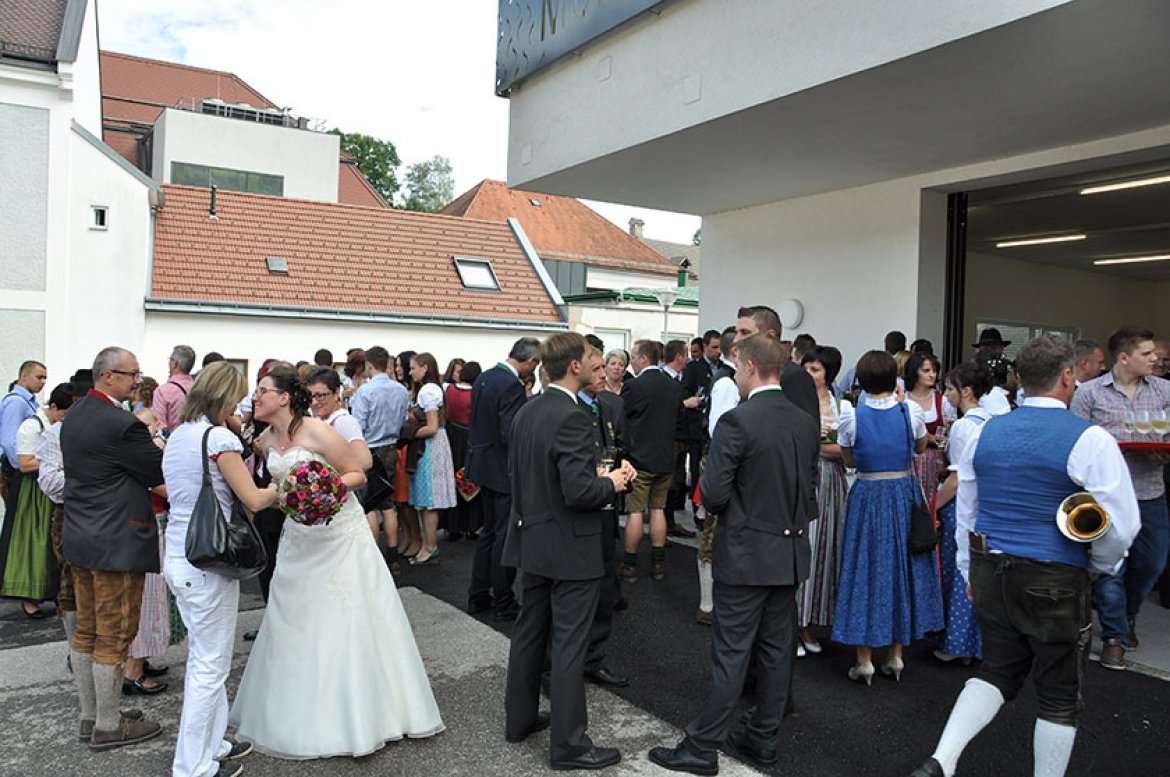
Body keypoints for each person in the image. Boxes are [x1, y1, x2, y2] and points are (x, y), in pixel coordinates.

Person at [910, 337, 1140, 777]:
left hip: (992, 568)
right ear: (1069, 376)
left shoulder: (983, 432)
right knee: (1057, 694)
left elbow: (969, 514)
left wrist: (968, 572)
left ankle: (942, 759)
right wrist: (1099, 567)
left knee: (997, 671)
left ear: (1018, 379)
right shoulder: (1090, 439)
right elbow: (1122, 524)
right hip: (1056, 575)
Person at [229, 364, 443, 757]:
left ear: (283, 397)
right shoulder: (263, 438)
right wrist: (288, 491)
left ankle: (360, 714)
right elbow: (274, 484)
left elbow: (357, 472)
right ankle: (294, 708)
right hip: (298, 539)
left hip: (337, 535)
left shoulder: (319, 431)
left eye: (262, 390)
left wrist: (320, 488)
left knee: (343, 617)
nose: (255, 396)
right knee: (294, 618)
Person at [648, 334, 819, 775]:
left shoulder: (738, 422)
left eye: (737, 366)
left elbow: (715, 494)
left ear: (750, 368)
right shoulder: (803, 420)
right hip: (789, 551)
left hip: (746, 552)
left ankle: (702, 747)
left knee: (732, 652)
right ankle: (762, 738)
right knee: (777, 651)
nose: (735, 373)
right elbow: (807, 489)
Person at [503, 332, 634, 771]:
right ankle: (570, 745)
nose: (597, 366)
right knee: (569, 646)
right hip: (570, 545)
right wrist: (611, 482)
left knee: (529, 633)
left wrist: (592, 474)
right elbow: (579, 492)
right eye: (591, 360)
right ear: (575, 366)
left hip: (532, 537)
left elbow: (535, 474)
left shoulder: (530, 409)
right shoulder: (573, 416)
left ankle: (519, 719)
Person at [162, 362, 275, 777]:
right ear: (226, 398)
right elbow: (255, 499)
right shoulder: (219, 438)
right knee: (209, 668)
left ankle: (214, 744)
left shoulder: (178, 435)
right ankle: (193, 766)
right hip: (208, 562)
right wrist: (292, 480)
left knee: (205, 660)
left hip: (178, 554)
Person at [60, 347, 165, 749]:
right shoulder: (122, 424)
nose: (138, 379)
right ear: (107, 376)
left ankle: (92, 716)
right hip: (116, 539)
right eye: (132, 373)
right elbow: (155, 471)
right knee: (115, 632)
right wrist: (154, 437)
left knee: (86, 630)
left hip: (82, 536)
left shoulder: (77, 415)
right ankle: (108, 723)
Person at [832, 350, 943, 685]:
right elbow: (921, 448)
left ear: (862, 381)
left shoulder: (851, 416)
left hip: (868, 493)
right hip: (903, 492)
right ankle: (896, 655)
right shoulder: (910, 411)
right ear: (893, 378)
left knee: (865, 569)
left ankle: (864, 660)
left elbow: (850, 461)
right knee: (903, 568)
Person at [1070, 326, 1170, 669]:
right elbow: (1076, 443)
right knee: (1111, 566)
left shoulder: (1164, 390)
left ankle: (1127, 615)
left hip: (1149, 490)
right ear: (1124, 358)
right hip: (1105, 495)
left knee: (1152, 563)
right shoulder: (1090, 394)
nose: (1155, 359)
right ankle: (1115, 636)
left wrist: (1164, 453)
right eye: (1147, 354)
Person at [466, 337, 540, 620]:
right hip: (502, 469)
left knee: (488, 533)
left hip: (482, 464)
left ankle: (478, 595)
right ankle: (503, 600)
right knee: (504, 538)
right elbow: (511, 433)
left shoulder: (485, 376)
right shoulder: (511, 385)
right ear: (531, 361)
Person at [575, 346, 630, 689]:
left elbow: (618, 445)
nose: (605, 376)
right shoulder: (568, 410)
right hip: (581, 513)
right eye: (597, 370)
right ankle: (564, 667)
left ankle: (593, 659)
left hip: (606, 508)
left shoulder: (608, 405)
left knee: (605, 589)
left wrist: (623, 467)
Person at [931, 361, 992, 665]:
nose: (946, 393)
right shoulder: (991, 421)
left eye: (951, 388)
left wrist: (931, 506)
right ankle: (977, 644)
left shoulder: (964, 426)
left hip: (963, 504)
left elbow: (955, 481)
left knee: (960, 571)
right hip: (986, 507)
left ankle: (957, 642)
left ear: (966, 391)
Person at [797, 345, 853, 655]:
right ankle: (795, 623)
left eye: (815, 369)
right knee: (803, 549)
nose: (809, 374)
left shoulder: (843, 407)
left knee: (828, 551)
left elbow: (849, 453)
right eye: (806, 368)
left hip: (832, 483)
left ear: (828, 374)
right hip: (804, 479)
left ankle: (811, 621)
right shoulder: (794, 401)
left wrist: (819, 445)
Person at [0, 382, 70, 618]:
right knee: (33, 543)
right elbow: (24, 462)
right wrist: (55, 463)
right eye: (64, 413)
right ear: (53, 408)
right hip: (33, 492)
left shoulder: (52, 425)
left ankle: (55, 594)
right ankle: (29, 599)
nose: (66, 419)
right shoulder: (31, 426)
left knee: (52, 546)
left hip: (48, 488)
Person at [620, 339, 685, 581]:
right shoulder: (673, 386)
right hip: (665, 458)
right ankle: (658, 564)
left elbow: (622, 420)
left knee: (635, 512)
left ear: (644, 359)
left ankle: (629, 565)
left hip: (639, 460)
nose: (632, 362)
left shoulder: (634, 387)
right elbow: (679, 422)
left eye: (634, 357)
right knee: (658, 509)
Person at [350, 346, 410, 566]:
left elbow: (358, 425)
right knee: (388, 502)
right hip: (391, 447)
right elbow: (403, 420)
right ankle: (393, 554)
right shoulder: (401, 391)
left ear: (368, 365)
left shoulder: (365, 392)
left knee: (369, 504)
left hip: (369, 449)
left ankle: (374, 557)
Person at [305, 366, 373, 533]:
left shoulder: (343, 422)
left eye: (320, 395)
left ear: (336, 393)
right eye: (310, 396)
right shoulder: (320, 420)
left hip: (340, 495)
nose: (314, 402)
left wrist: (331, 480)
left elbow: (365, 461)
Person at [407, 352, 458, 565]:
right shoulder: (431, 389)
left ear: (425, 367)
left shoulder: (428, 390)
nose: (410, 372)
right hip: (432, 445)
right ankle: (428, 546)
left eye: (413, 368)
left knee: (429, 500)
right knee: (425, 500)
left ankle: (430, 546)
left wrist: (407, 433)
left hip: (429, 446)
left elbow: (432, 427)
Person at [443, 360, 480, 540]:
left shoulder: (448, 390)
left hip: (451, 437)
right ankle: (471, 524)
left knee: (452, 479)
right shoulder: (476, 393)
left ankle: (453, 525)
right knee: (468, 479)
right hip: (469, 439)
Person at [904, 351, 948, 504]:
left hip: (935, 463)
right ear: (914, 372)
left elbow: (950, 432)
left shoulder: (943, 401)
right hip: (909, 461)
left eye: (934, 371)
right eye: (926, 371)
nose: (932, 375)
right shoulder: (902, 399)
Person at [1, 360, 47, 505]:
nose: (43, 382)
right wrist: (21, 468)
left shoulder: (28, 401)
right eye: (39, 377)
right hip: (18, 471)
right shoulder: (17, 402)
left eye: (45, 378)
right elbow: (9, 441)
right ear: (24, 376)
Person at [153, 345, 196, 434]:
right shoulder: (200, 389)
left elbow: (160, 425)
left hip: (174, 443)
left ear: (174, 364)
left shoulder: (163, 391)